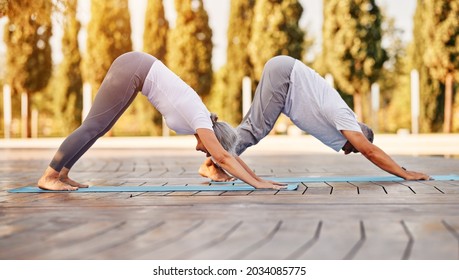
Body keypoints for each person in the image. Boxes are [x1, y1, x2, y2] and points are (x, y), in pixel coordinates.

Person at [38, 51, 285, 191]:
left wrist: (260, 179)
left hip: (137, 71)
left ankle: (62, 174)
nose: (201, 150)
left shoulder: (203, 121)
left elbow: (228, 153)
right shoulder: (201, 119)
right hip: (134, 69)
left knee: (100, 128)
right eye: (205, 150)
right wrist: (256, 185)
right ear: (211, 140)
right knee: (93, 125)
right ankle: (49, 176)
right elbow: (223, 156)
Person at [199, 55, 431, 182]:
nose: (348, 151)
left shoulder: (342, 121)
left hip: (285, 77)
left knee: (251, 129)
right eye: (353, 147)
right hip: (285, 77)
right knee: (253, 130)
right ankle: (211, 163)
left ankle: (213, 161)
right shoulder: (345, 117)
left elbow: (367, 149)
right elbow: (371, 151)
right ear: (358, 133)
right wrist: (405, 174)